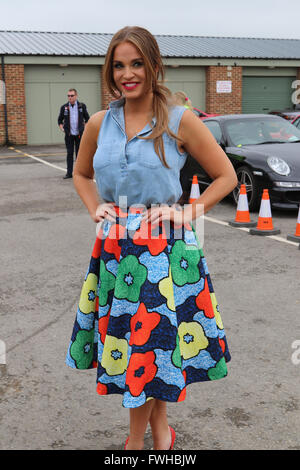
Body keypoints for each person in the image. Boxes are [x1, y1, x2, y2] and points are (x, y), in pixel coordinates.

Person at [65, 26, 237, 451]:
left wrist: (186, 211)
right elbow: (82, 174)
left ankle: (134, 444)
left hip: (164, 251)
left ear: (154, 65)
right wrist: (93, 206)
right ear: (110, 71)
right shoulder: (100, 123)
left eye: (137, 63)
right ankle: (160, 434)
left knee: (149, 348)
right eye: (119, 65)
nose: (128, 74)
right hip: (114, 253)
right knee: (145, 347)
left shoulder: (178, 119)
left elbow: (226, 176)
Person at [58, 89, 90, 179]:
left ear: (76, 96)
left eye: (72, 95)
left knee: (79, 154)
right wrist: (62, 129)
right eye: (68, 96)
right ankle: (69, 173)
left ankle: (80, 173)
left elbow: (87, 118)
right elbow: (59, 120)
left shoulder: (81, 106)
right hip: (69, 135)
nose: (70, 97)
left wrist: (84, 128)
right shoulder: (64, 107)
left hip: (79, 135)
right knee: (70, 153)